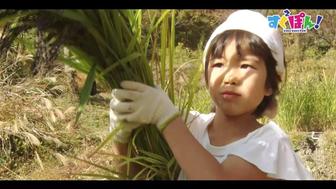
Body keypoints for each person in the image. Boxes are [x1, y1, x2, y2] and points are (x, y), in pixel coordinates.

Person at [109, 10, 313, 180]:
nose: (229, 77)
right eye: (218, 64)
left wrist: (165, 117)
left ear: (270, 84)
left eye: (245, 65)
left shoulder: (270, 143)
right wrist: (121, 138)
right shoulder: (190, 126)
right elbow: (138, 175)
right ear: (206, 77)